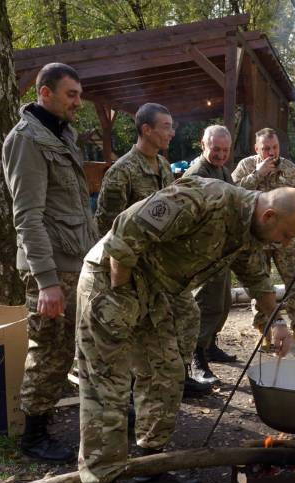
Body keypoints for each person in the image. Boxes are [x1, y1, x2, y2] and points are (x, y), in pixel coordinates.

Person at [77, 181, 295, 483]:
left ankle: (150, 471)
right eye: (284, 235)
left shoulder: (250, 228)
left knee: (167, 373)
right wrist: (121, 293)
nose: (282, 244)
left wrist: (276, 322)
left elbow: (254, 274)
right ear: (269, 215)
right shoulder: (202, 199)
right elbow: (126, 228)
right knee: (107, 389)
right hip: (111, 282)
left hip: (155, 291)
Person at [2, 62, 98, 463]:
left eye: (78, 93)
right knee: (50, 350)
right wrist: (46, 281)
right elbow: (27, 215)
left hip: (76, 261)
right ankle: (34, 436)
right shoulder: (26, 140)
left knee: (74, 347)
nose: (78, 101)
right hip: (51, 268)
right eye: (71, 94)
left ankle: (75, 421)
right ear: (45, 93)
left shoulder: (61, 134)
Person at [94, 103, 211, 397]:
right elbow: (107, 227)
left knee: (188, 313)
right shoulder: (121, 172)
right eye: (166, 127)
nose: (172, 133)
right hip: (129, 268)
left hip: (160, 265)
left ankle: (179, 376)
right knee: (135, 329)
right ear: (146, 130)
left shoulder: (161, 166)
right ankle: (135, 389)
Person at [232, 128, 295, 354]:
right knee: (260, 285)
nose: (271, 153)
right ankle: (266, 332)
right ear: (256, 148)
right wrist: (256, 175)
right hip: (256, 238)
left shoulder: (289, 167)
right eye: (266, 148)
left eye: (275, 148)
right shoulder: (246, 167)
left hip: (284, 239)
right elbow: (232, 194)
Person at [184, 125, 237, 387]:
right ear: (203, 145)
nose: (220, 154)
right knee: (206, 306)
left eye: (225, 150)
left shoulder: (222, 170)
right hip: (202, 253)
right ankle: (197, 358)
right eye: (215, 149)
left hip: (220, 249)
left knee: (223, 303)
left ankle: (210, 345)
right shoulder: (197, 173)